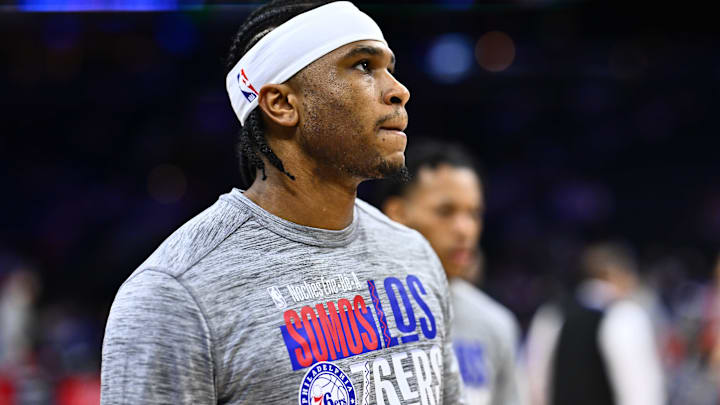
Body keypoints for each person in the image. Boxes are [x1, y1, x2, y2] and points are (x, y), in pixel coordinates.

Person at [100, 1, 466, 404]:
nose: (399, 91)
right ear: (282, 104)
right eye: (363, 66)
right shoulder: (176, 294)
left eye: (389, 70)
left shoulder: (412, 253)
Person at [377, 140, 526, 405]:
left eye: (474, 214)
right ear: (396, 213)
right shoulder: (356, 313)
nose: (464, 230)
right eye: (445, 212)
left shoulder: (495, 324)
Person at [525, 242, 665, 405]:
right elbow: (641, 392)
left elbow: (535, 385)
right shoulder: (625, 315)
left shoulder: (551, 314)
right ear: (615, 274)